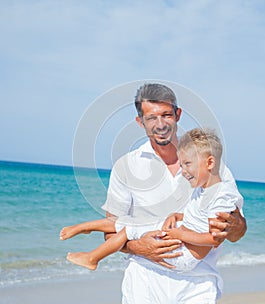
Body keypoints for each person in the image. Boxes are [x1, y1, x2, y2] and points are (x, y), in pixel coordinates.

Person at [66, 83, 247, 303]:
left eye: (166, 115)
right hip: (143, 285)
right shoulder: (126, 166)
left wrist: (235, 225)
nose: (160, 124)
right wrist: (141, 248)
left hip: (198, 286)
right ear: (140, 122)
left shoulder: (212, 167)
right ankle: (86, 232)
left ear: (178, 115)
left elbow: (236, 233)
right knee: (129, 226)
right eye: (151, 118)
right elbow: (112, 231)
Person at [60, 128, 243, 285]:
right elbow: (199, 216)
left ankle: (92, 257)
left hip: (183, 257)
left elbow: (213, 239)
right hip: (182, 244)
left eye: (187, 164)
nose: (184, 171)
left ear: (210, 163)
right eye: (182, 165)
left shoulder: (221, 195)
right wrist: (178, 216)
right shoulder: (204, 187)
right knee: (133, 223)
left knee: (130, 229)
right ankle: (85, 228)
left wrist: (180, 234)